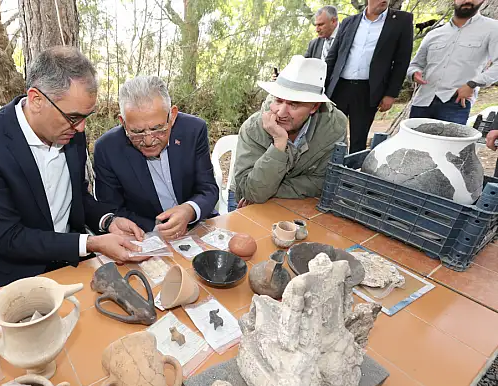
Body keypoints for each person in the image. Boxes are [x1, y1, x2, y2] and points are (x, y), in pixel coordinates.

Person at [0, 46, 145, 296]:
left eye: (87, 116)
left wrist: (108, 221)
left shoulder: (69, 129)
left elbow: (77, 198)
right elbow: (9, 237)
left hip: (69, 263)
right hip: (10, 275)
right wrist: (90, 242)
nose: (81, 128)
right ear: (36, 100)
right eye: (74, 117)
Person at [93, 76, 218, 239]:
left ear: (172, 116)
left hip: (199, 224)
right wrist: (157, 227)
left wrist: (190, 209)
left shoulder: (193, 130)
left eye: (158, 128)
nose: (148, 140)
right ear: (123, 123)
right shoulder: (107, 148)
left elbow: (208, 188)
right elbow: (112, 209)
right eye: (137, 132)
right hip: (146, 234)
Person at [229, 56, 348, 210]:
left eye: (294, 104)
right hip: (244, 202)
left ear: (314, 107)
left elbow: (326, 181)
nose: (281, 112)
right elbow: (251, 192)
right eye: (278, 100)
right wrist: (279, 143)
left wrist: (271, 190)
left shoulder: (334, 127)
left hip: (300, 202)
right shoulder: (253, 128)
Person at [325, 0, 413, 153]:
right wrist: (322, 87)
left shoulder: (402, 21)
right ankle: (327, 171)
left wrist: (391, 94)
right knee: (330, 134)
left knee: (358, 139)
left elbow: (402, 61)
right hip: (339, 87)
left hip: (368, 90)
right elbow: (333, 57)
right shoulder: (349, 22)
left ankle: (351, 174)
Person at [406, 0, 498, 124]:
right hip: (422, 101)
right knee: (414, 143)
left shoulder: (492, 28)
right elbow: (415, 64)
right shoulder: (435, 33)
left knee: (447, 143)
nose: (467, 1)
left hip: (456, 103)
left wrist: (472, 84)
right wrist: (414, 73)